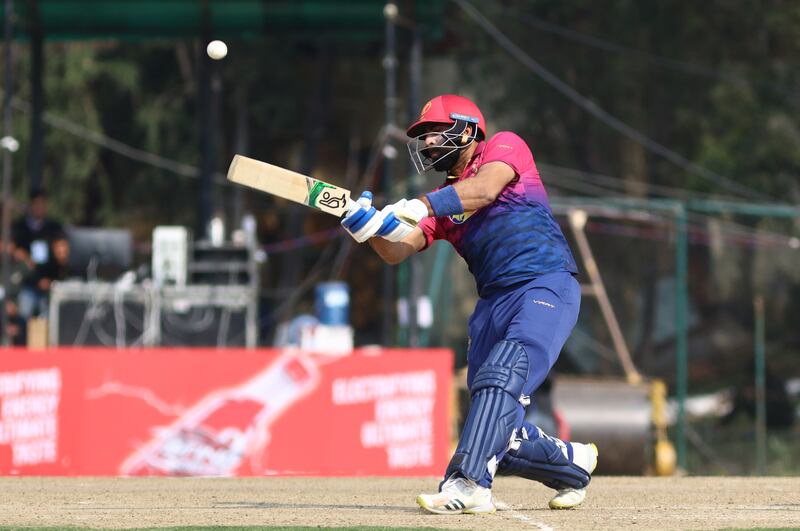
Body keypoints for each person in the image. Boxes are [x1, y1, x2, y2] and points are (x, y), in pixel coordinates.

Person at [341, 94, 598, 513]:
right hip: (493, 302)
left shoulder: (503, 147)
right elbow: (397, 250)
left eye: (433, 133)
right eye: (422, 138)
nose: (426, 145)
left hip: (544, 286)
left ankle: (468, 485)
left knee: (503, 375)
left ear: (467, 129)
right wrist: (366, 227)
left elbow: (483, 190)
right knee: (498, 429)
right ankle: (573, 463)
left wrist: (420, 203)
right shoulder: (443, 203)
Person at [11, 188, 65, 319]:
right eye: (36, 204)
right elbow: (14, 252)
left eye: (42, 204)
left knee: (50, 316)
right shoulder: (19, 228)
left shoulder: (54, 228)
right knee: (25, 309)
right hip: (28, 283)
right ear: (30, 205)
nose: (39, 207)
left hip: (51, 282)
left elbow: (62, 253)